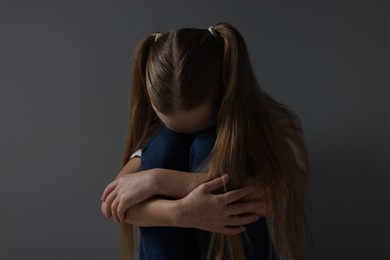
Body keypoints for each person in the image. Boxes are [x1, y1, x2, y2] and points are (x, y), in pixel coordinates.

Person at [101, 23, 310, 260]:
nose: (186, 136)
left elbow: (261, 198)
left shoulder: (268, 129)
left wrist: (158, 180)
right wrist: (182, 213)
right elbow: (115, 203)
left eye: (199, 126)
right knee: (166, 145)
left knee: (207, 147)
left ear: (224, 96)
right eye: (175, 127)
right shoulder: (162, 141)